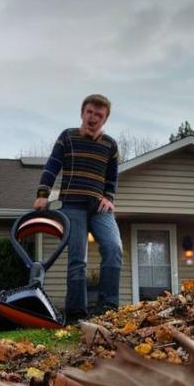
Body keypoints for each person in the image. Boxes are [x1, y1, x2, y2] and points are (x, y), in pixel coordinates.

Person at [33, 94, 123, 321]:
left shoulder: (110, 145)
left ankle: (108, 309)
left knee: (114, 248)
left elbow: (112, 176)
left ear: (105, 119)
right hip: (73, 205)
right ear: (82, 113)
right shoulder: (68, 137)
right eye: (90, 112)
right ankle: (76, 315)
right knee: (77, 260)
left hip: (99, 208)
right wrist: (43, 194)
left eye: (99, 115)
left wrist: (109, 197)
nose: (93, 118)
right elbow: (52, 166)